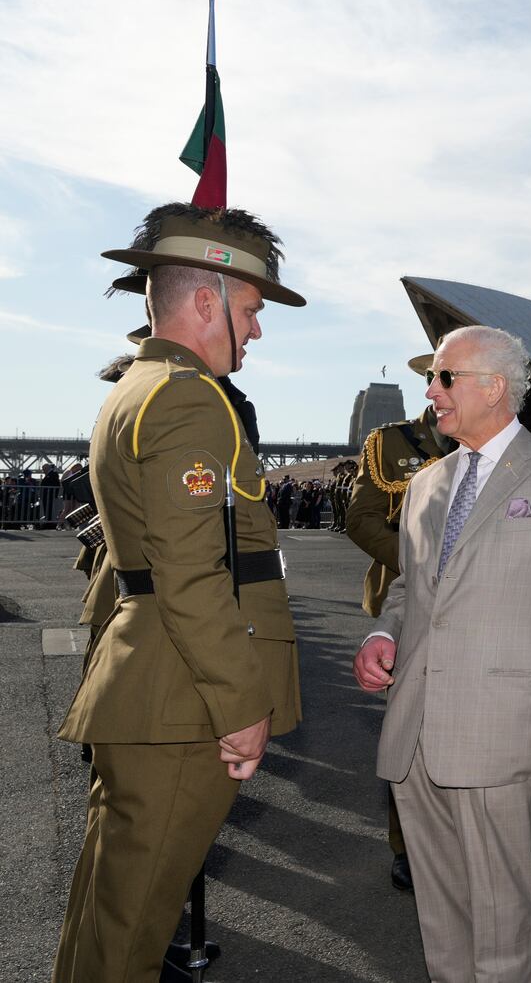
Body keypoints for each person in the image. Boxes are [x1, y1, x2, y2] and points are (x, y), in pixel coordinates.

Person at [54, 202, 305, 981]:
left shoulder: (141, 385)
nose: (256, 331)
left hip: (154, 684)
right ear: (207, 302)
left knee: (109, 910)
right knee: (131, 931)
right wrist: (241, 705)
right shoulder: (189, 399)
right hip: (184, 700)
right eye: (250, 311)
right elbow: (194, 574)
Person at [352, 325, 531, 981]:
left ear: (494, 386)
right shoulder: (425, 486)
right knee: (441, 920)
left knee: (504, 920)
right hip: (417, 732)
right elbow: (413, 587)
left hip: (504, 734)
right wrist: (385, 632)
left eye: (444, 377)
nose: (430, 391)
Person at [343, 378, 457, 893]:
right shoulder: (390, 442)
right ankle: (406, 843)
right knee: (408, 729)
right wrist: (421, 565)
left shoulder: (490, 443)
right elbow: (361, 519)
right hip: (407, 602)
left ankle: (458, 835)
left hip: (476, 609)